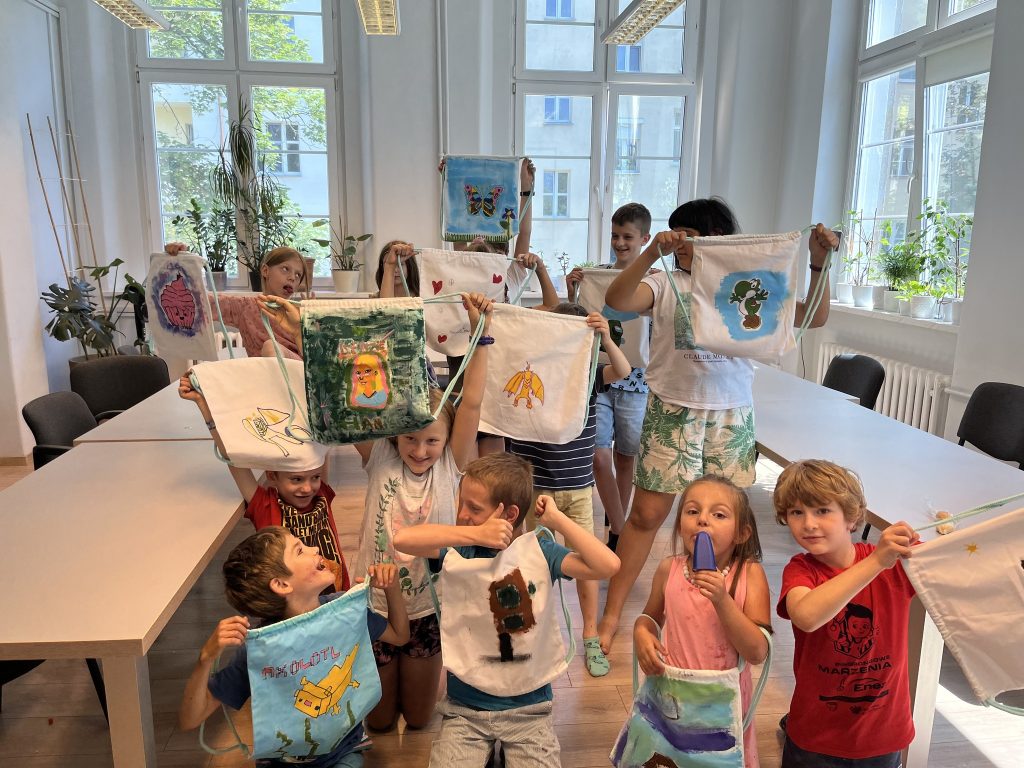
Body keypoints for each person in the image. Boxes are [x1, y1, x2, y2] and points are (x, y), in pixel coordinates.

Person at [597, 198, 840, 656]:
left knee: (727, 524)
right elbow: (618, 300)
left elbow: (815, 316)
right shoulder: (665, 281)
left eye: (690, 235)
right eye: (676, 233)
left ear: (717, 240)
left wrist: (818, 262)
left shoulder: (749, 283)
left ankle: (730, 615)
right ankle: (610, 616)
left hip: (730, 416)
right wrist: (651, 253)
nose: (681, 243)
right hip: (672, 412)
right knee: (645, 517)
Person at [259, 291, 494, 733]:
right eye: (410, 439)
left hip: (430, 607)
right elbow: (343, 391)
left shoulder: (452, 464)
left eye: (431, 440)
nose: (419, 450)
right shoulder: (380, 456)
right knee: (381, 723)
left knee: (420, 719)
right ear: (393, 436)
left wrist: (481, 334)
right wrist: (300, 334)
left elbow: (473, 403)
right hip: (375, 604)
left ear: (446, 442)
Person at [392, 453, 621, 767]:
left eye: (474, 509)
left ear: (510, 514)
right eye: (461, 503)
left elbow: (608, 565)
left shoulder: (539, 551)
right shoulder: (459, 548)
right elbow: (403, 539)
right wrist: (474, 533)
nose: (462, 514)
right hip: (465, 710)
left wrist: (558, 521)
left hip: (530, 711)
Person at [178, 526, 410, 768]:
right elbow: (190, 719)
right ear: (281, 584)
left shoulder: (344, 612)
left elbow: (400, 636)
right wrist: (205, 658)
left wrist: (392, 588)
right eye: (300, 550)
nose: (315, 548)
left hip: (343, 753)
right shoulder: (260, 649)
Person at [507, 300, 630, 677]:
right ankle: (536, 632)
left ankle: (590, 634)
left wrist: (606, 338)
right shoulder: (530, 372)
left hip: (577, 489)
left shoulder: (588, 378)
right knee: (536, 562)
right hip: (536, 490)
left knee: (588, 564)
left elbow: (623, 370)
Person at [773, 460, 918, 767]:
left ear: (851, 517)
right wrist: (877, 562)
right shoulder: (801, 570)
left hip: (883, 733)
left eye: (822, 510)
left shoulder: (895, 565)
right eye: (796, 512)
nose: (808, 523)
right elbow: (806, 616)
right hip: (815, 736)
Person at [632, 474, 771, 766]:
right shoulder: (669, 569)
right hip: (673, 693)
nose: (702, 519)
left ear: (742, 533)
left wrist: (722, 600)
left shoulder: (750, 574)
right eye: (693, 511)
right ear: (680, 525)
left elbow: (757, 652)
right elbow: (649, 618)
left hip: (724, 699)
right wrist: (641, 632)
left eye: (718, 514)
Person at [178, 374, 350, 592]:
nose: (308, 488)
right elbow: (232, 459)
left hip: (338, 593)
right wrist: (204, 407)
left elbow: (322, 443)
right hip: (294, 602)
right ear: (272, 475)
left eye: (314, 477)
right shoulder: (265, 506)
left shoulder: (320, 495)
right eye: (296, 479)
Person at [565, 202, 653, 553]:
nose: (619, 243)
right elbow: (577, 319)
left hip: (637, 382)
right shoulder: (597, 276)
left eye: (627, 237)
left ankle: (618, 524)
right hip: (597, 377)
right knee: (598, 455)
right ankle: (619, 526)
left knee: (625, 457)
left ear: (644, 239)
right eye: (615, 236)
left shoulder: (654, 282)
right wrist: (573, 292)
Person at [164, 241, 307, 359]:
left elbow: (313, 357)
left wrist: (312, 318)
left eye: (298, 275)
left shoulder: (299, 312)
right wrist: (181, 259)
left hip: (298, 375)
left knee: (271, 347)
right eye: (285, 269)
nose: (292, 278)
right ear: (265, 271)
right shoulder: (245, 307)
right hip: (261, 377)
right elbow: (197, 301)